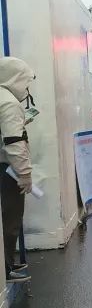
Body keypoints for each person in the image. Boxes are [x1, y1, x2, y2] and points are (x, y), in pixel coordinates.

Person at [0, 58, 35, 283]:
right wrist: (24, 174)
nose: (27, 87)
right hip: (7, 170)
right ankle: (6, 269)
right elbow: (14, 142)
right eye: (25, 81)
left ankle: (7, 262)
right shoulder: (9, 103)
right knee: (10, 217)